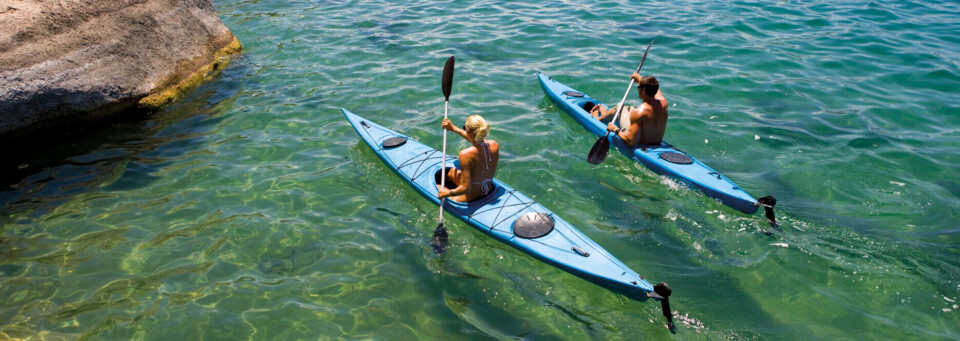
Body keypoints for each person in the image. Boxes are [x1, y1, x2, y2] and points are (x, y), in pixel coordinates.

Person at [588, 72, 668, 147]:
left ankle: (599, 118)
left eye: (638, 87)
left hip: (640, 144)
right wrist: (639, 78)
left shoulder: (639, 112)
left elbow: (630, 142)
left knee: (620, 106)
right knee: (630, 108)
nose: (638, 89)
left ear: (643, 90)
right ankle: (606, 114)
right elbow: (655, 89)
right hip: (657, 143)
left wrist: (615, 129)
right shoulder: (663, 102)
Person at [437, 115, 500, 202]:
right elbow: (478, 141)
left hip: (471, 196)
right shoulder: (494, 145)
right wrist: (453, 128)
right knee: (451, 173)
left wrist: (448, 193)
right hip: (489, 188)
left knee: (438, 186)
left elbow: (466, 188)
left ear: (468, 131)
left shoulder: (465, 154)